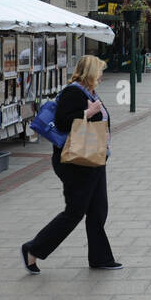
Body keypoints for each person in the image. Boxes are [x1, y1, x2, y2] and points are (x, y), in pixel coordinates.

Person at [21, 55, 120, 273]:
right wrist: (88, 112)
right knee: (75, 212)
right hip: (76, 162)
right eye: (100, 71)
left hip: (93, 158)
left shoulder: (88, 92)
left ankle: (100, 258)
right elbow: (64, 121)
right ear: (90, 73)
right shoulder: (73, 92)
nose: (102, 75)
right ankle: (33, 249)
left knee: (98, 210)